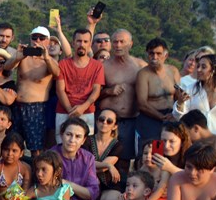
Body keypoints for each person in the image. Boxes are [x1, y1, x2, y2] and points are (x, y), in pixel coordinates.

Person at [4, 26, 60, 155]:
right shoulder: (23, 57)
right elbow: (7, 68)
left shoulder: (50, 60)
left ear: (48, 41)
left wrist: (46, 57)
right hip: (17, 106)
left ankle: (36, 173)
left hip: (37, 108)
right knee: (12, 144)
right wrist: (18, 56)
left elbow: (57, 74)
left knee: (36, 148)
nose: (37, 40)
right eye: (35, 37)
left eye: (41, 38)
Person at [173, 54, 216, 151]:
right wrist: (180, 103)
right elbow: (180, 118)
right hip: (196, 143)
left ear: (214, 69)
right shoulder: (191, 89)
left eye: (203, 67)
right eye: (198, 66)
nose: (199, 70)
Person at [53, 118, 103, 200]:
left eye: (78, 136)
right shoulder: (51, 155)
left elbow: (92, 193)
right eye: (69, 134)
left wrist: (68, 183)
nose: (72, 140)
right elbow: (47, 189)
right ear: (61, 135)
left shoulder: (88, 158)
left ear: (83, 140)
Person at [98, 29, 146, 160]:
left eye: (122, 42)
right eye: (115, 42)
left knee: (126, 158)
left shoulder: (140, 66)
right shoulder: (103, 66)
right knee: (102, 156)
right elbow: (93, 95)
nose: (118, 45)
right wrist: (108, 91)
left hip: (131, 120)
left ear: (130, 43)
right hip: (106, 121)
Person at [55, 28, 104, 142]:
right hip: (64, 111)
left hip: (87, 111)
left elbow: (96, 90)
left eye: (85, 42)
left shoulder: (97, 66)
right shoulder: (63, 64)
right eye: (79, 41)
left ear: (90, 44)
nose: (82, 44)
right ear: (73, 43)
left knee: (85, 148)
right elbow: (60, 90)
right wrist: (70, 111)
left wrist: (83, 107)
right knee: (62, 146)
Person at [135, 38, 180, 150]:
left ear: (165, 55)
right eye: (151, 53)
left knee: (172, 150)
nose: (154, 57)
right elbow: (142, 103)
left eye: (158, 53)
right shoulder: (143, 74)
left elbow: (179, 96)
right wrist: (162, 117)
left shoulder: (173, 71)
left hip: (172, 117)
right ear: (147, 55)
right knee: (154, 151)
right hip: (151, 119)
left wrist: (175, 114)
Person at [179, 110, 216, 186]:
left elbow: (215, 171)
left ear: (196, 128)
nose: (185, 136)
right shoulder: (197, 145)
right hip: (208, 188)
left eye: (186, 132)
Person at [89, 108, 125, 200]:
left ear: (114, 126)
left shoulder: (117, 145)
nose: (104, 122)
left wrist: (105, 166)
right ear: (97, 121)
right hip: (87, 183)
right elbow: (85, 164)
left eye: (109, 121)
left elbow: (101, 168)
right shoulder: (86, 140)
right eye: (101, 119)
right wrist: (109, 166)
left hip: (109, 185)